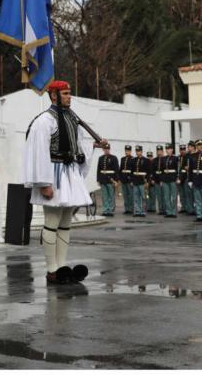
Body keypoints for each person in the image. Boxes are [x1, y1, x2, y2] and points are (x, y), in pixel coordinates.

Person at [24, 80, 101, 285]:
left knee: (65, 223)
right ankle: (51, 270)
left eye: (69, 93)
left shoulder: (71, 118)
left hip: (69, 173)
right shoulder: (44, 120)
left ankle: (62, 267)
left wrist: (92, 147)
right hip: (53, 174)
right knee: (52, 222)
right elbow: (38, 152)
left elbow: (77, 146)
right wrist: (43, 183)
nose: (69, 96)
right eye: (65, 93)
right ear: (54, 95)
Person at [96, 144, 119, 216]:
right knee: (104, 195)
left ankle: (110, 209)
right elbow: (98, 169)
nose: (106, 150)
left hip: (111, 179)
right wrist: (98, 180)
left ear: (109, 149)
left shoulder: (114, 158)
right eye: (105, 149)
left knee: (111, 195)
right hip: (103, 179)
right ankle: (105, 209)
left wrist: (116, 180)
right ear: (103, 149)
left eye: (108, 149)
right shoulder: (101, 158)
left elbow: (116, 169)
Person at [160, 144, 179, 218]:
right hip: (165, 178)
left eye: (169, 149)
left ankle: (173, 212)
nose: (168, 150)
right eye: (167, 149)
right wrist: (161, 180)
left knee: (173, 196)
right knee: (166, 196)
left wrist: (178, 177)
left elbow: (178, 168)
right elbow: (161, 170)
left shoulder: (175, 158)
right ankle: (168, 212)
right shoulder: (163, 158)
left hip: (173, 178)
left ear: (172, 150)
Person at [131, 146, 149, 217]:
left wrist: (147, 181)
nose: (138, 152)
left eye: (139, 151)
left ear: (141, 151)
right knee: (136, 197)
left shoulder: (146, 160)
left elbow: (148, 171)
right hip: (135, 180)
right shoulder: (133, 160)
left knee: (143, 197)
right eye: (137, 151)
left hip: (142, 180)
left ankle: (143, 211)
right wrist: (132, 180)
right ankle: (137, 211)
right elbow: (132, 171)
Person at [176, 144, 191, 214]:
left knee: (186, 194)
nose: (182, 151)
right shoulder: (178, 157)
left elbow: (186, 168)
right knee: (181, 194)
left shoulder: (188, 157)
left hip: (185, 178)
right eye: (181, 150)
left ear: (185, 150)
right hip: (179, 178)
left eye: (183, 150)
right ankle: (183, 207)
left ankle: (188, 208)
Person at [119, 146, 134, 215]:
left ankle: (131, 208)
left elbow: (133, 170)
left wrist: (132, 180)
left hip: (129, 179)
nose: (126, 152)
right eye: (126, 150)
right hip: (123, 179)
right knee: (125, 195)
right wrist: (120, 178)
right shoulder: (123, 159)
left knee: (130, 195)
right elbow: (121, 169)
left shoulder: (133, 159)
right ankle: (127, 209)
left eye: (128, 150)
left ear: (130, 151)